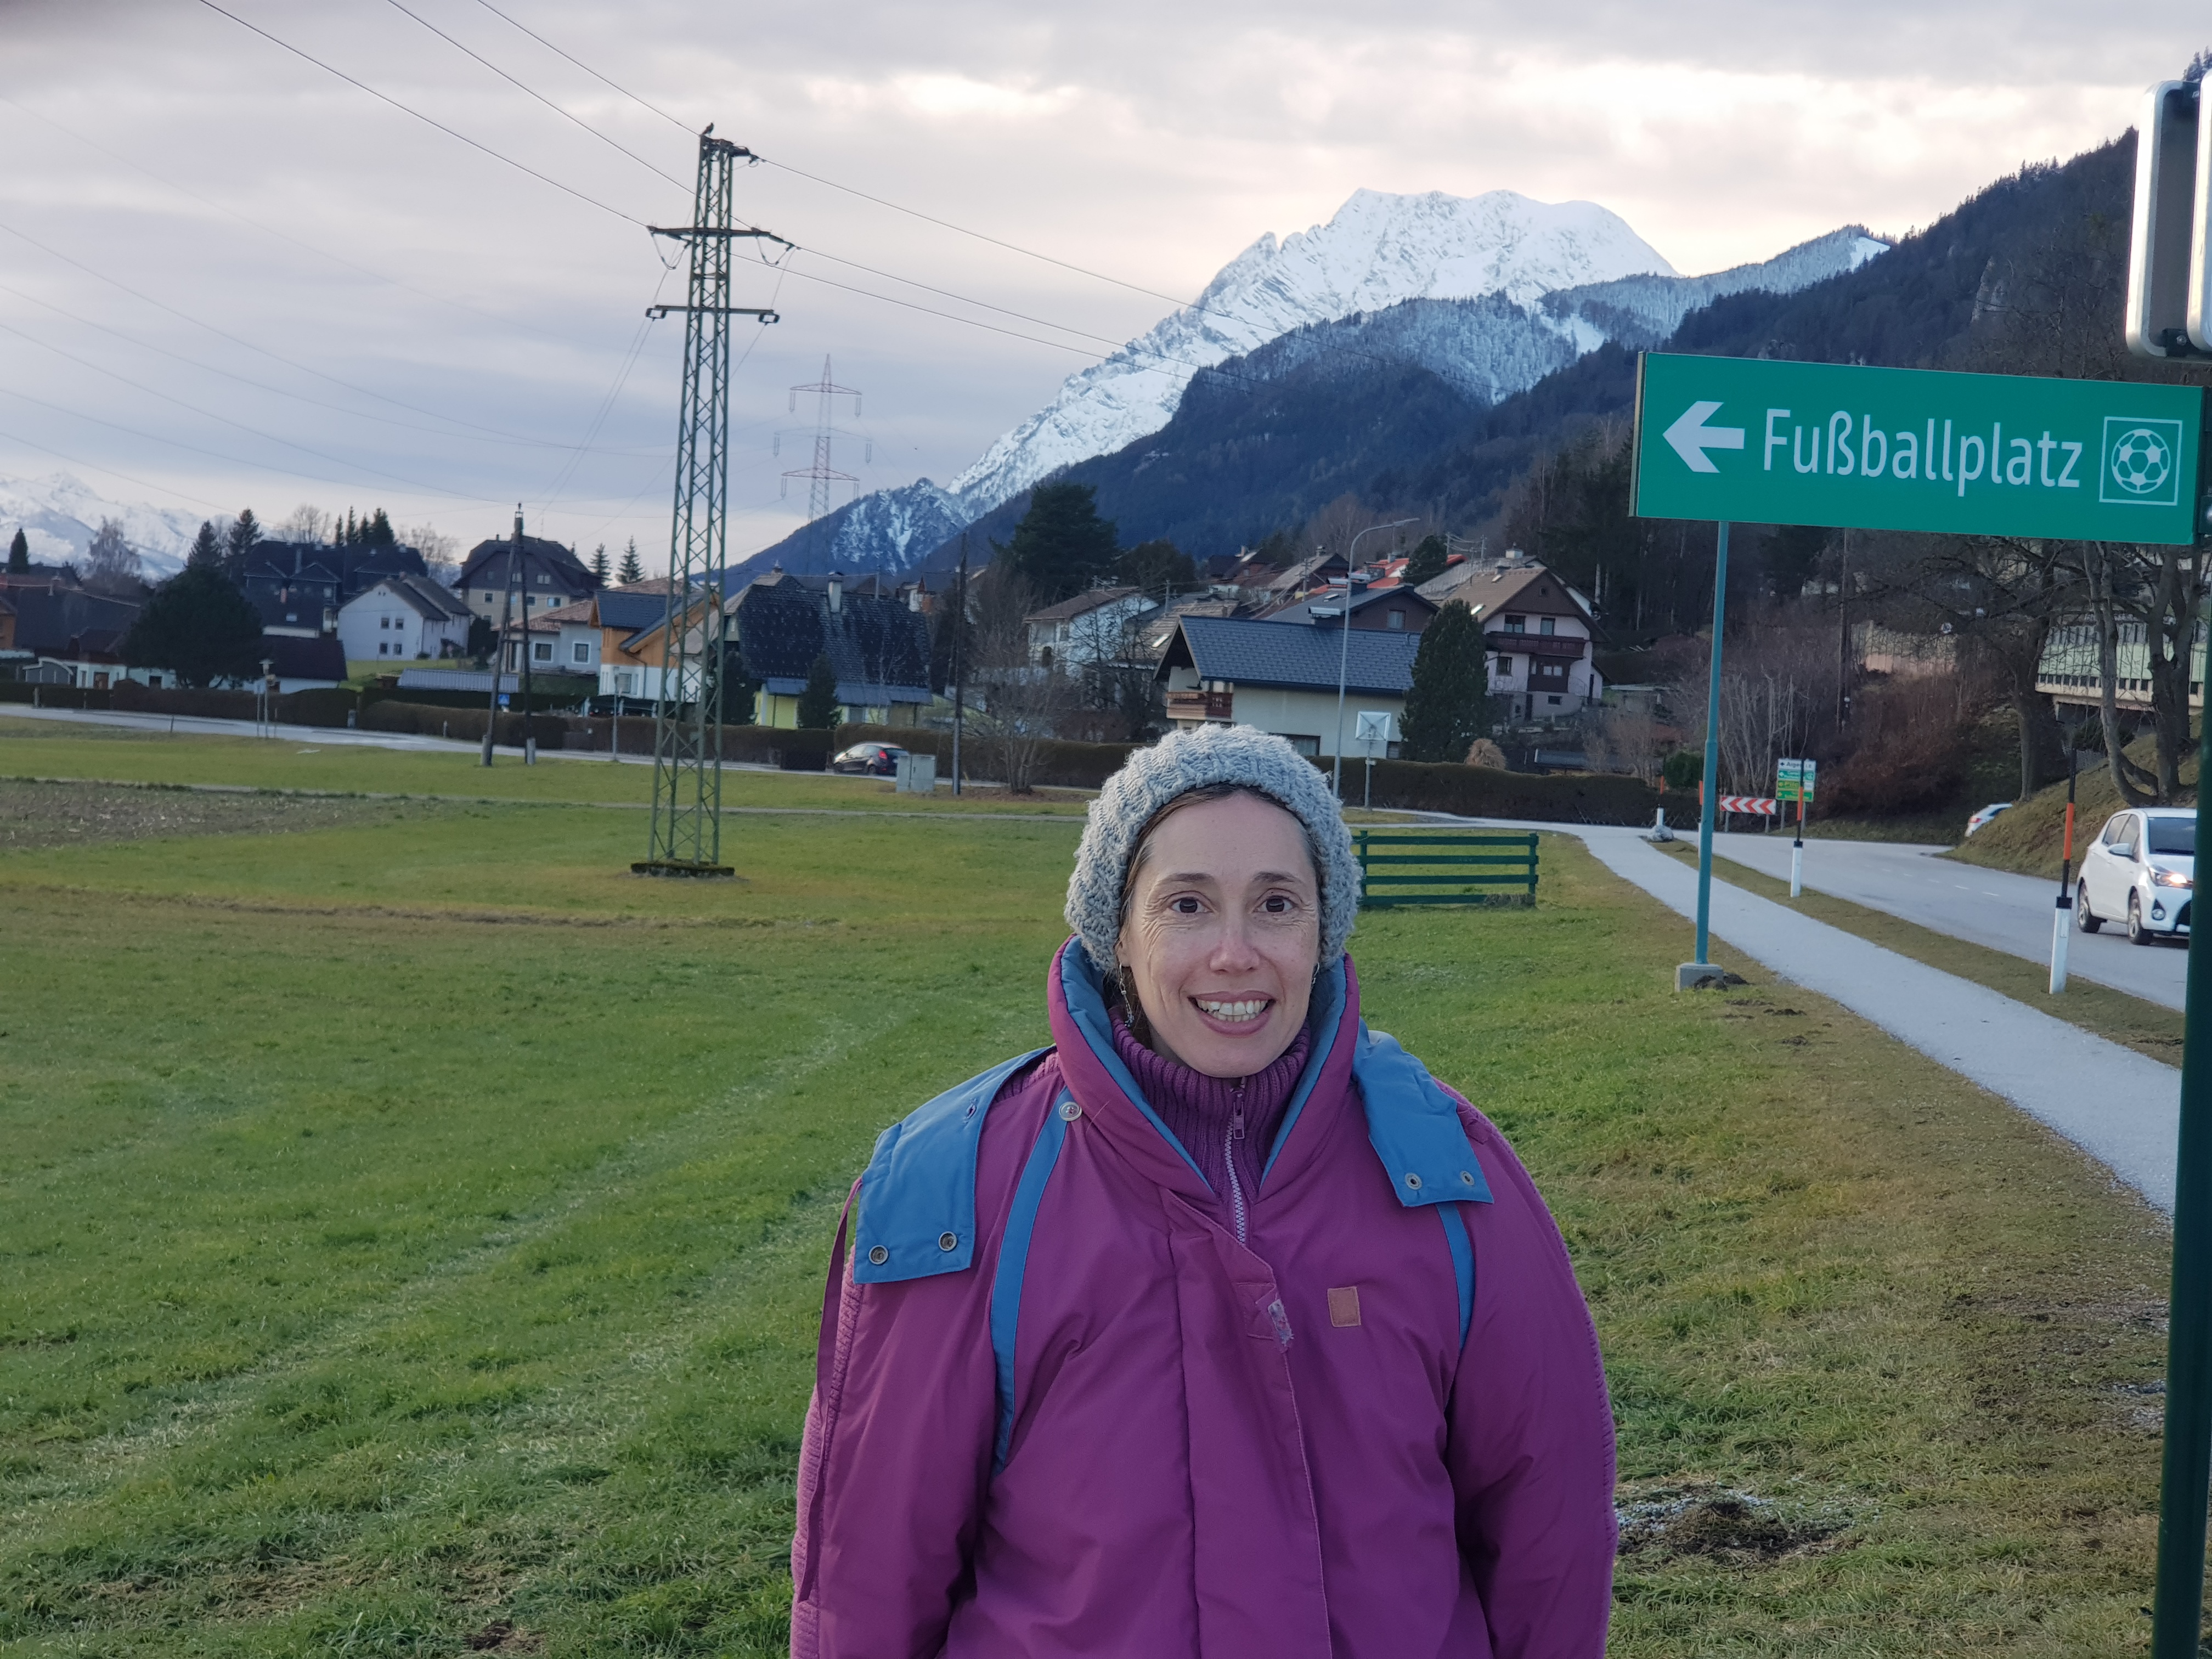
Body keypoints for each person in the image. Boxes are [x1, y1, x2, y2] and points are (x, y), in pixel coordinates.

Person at [792, 724, 1615, 1657]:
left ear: (1323, 930)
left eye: (1276, 904)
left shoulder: (1452, 1179)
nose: (1235, 953)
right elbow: (866, 1580)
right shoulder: (956, 1187)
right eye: (1187, 905)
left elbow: (1551, 1539)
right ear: (1117, 933)